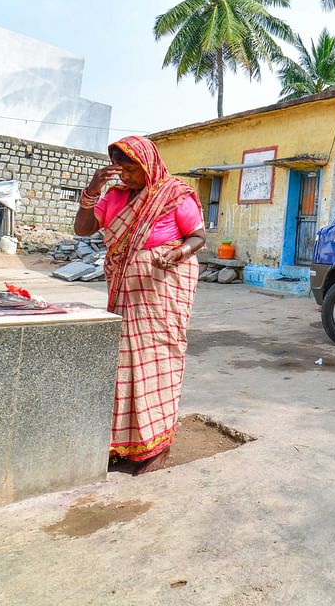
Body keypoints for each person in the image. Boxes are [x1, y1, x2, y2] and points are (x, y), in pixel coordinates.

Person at [74, 136, 206, 475]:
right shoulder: (115, 196)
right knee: (123, 369)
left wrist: (178, 253)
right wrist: (92, 191)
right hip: (124, 296)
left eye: (132, 170)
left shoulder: (173, 194)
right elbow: (83, 229)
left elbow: (198, 237)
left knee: (155, 364)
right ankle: (126, 444)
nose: (127, 177)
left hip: (160, 299)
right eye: (122, 170)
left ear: (148, 164)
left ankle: (157, 448)